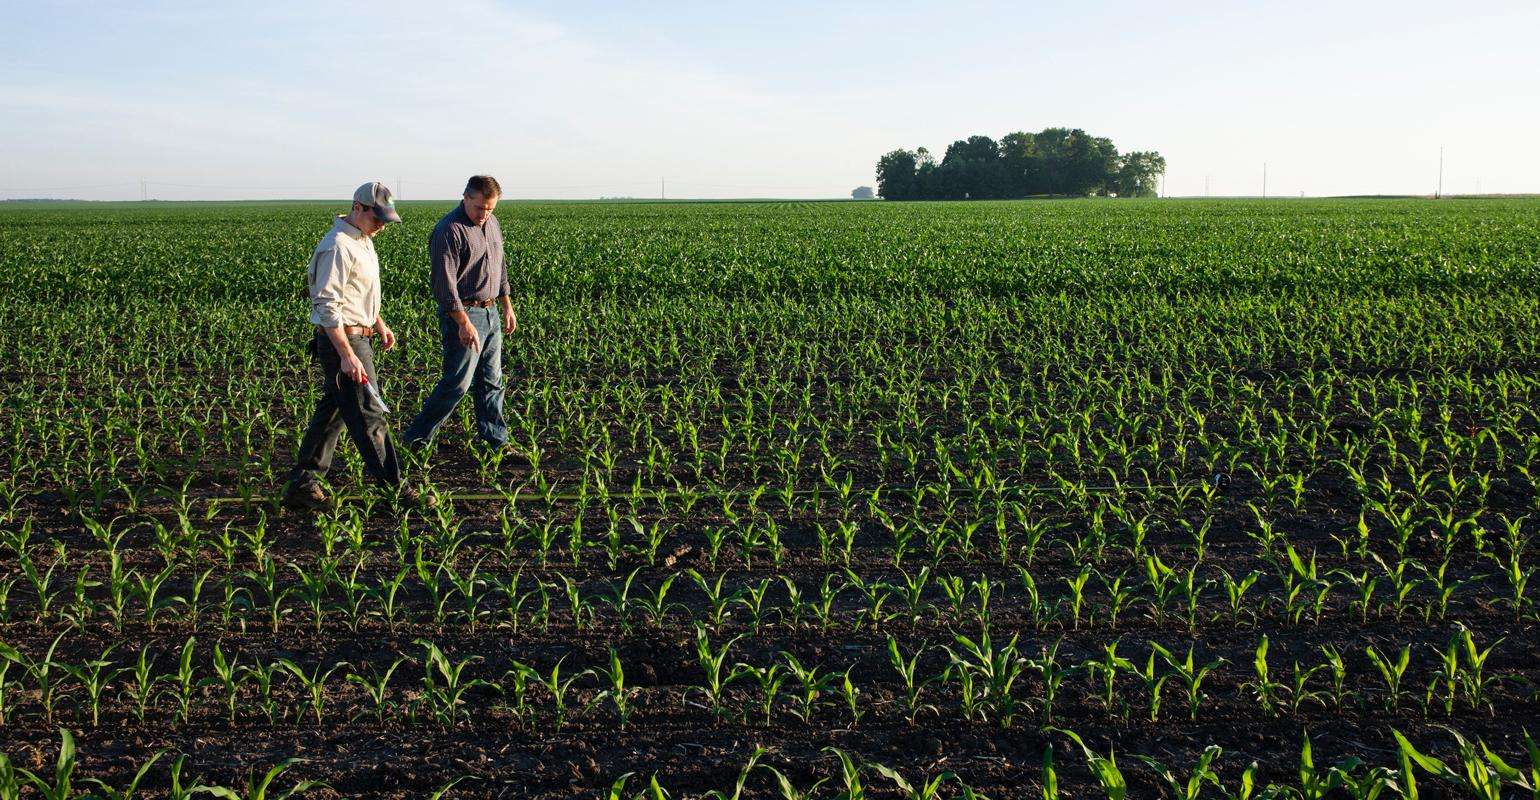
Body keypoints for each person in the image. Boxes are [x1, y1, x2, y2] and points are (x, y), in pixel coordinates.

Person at [282, 181, 415, 510]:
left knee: (336, 411)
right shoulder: (338, 245)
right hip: (344, 340)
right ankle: (396, 490)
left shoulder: (361, 240)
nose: (382, 226)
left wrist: (377, 322)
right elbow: (327, 305)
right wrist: (346, 354)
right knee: (370, 414)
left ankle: (304, 481)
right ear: (358, 208)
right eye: (377, 219)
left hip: (359, 333)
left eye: (386, 220)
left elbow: (356, 292)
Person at [402, 175, 516, 451]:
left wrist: (506, 306)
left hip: (491, 314)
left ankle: (497, 442)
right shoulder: (449, 230)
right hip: (464, 314)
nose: (485, 214)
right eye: (480, 208)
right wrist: (463, 323)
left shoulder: (492, 224)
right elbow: (444, 285)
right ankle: (415, 440)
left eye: (491, 208)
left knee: (492, 381)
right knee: (457, 383)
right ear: (465, 197)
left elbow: (498, 268)